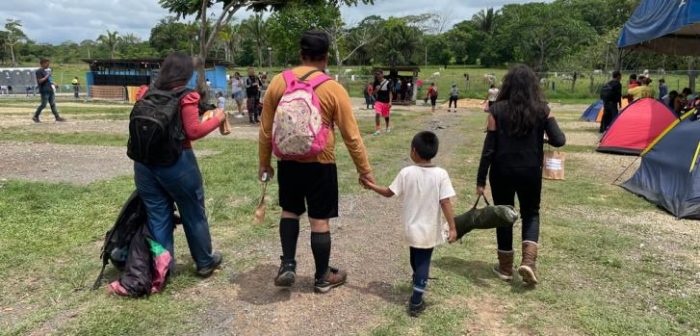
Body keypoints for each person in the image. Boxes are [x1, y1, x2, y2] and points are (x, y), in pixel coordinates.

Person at [258, 30, 375, 294]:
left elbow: (266, 130)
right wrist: (364, 171)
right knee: (319, 220)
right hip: (321, 162)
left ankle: (287, 264)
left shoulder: (278, 82)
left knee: (289, 211)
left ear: (300, 54)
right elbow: (352, 136)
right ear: (326, 57)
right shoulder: (333, 88)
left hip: (288, 161)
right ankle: (322, 277)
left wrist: (265, 163)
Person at [133, 52, 226, 278]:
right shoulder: (186, 96)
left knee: (157, 215)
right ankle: (204, 260)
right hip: (178, 163)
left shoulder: (145, 93)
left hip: (144, 164)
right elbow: (193, 130)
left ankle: (162, 268)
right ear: (186, 73)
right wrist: (218, 118)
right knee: (193, 212)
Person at [476, 64, 566, 286]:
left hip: (501, 171)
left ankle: (505, 268)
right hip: (530, 171)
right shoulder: (543, 109)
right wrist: (540, 136)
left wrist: (480, 180)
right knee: (531, 214)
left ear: (508, 85)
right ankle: (528, 262)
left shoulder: (496, 110)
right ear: (532, 86)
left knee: (504, 215)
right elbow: (559, 140)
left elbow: (489, 148)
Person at [362, 131, 457, 317]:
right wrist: (452, 226)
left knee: (416, 258)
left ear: (414, 151)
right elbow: (445, 202)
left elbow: (388, 192)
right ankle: (417, 297)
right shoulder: (441, 174)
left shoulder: (406, 172)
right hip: (428, 229)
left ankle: (416, 290)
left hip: (410, 228)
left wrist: (370, 185)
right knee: (422, 261)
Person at [33, 58, 66, 123]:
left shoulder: (45, 71)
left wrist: (54, 83)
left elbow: (48, 80)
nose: (48, 65)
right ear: (43, 63)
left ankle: (57, 117)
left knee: (53, 104)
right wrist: (47, 75)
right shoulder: (39, 71)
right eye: (47, 63)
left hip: (50, 89)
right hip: (44, 90)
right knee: (43, 105)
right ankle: (35, 116)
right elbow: (40, 81)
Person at [373, 70, 392, 135]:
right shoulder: (375, 83)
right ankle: (378, 130)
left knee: (386, 116)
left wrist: (390, 102)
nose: (377, 76)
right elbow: (372, 93)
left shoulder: (387, 82)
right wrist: (376, 90)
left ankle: (387, 127)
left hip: (386, 102)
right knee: (377, 114)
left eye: (378, 74)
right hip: (378, 101)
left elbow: (390, 92)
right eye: (376, 74)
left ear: (382, 75)